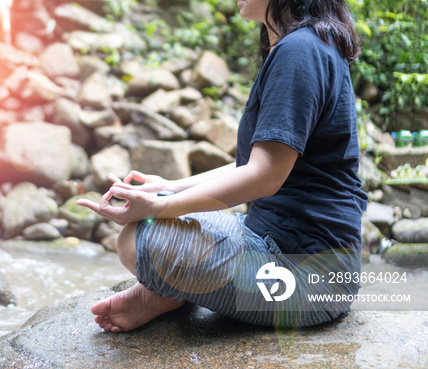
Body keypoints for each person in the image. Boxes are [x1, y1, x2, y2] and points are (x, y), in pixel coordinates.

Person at [77, 0, 367, 333]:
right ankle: (166, 293)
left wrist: (163, 206)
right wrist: (168, 186)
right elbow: (250, 166)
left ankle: (169, 293)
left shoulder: (300, 51)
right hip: (282, 249)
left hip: (307, 277)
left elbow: (264, 176)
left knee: (138, 241)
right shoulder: (306, 45)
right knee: (162, 227)